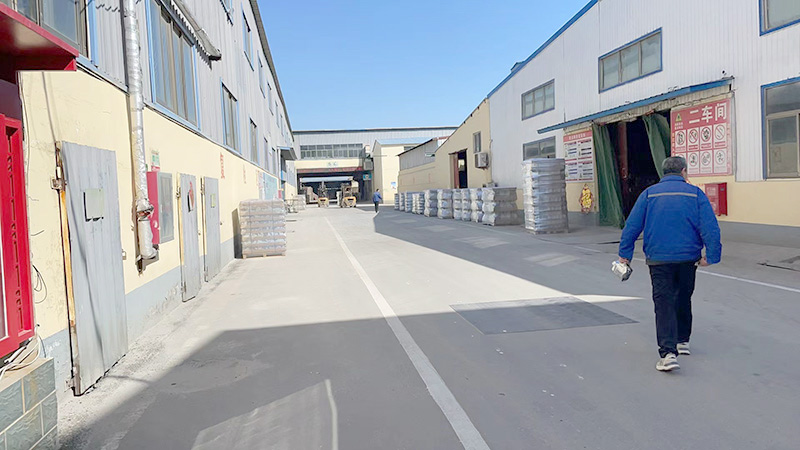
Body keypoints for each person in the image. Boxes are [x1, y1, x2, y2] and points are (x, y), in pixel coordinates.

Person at [618, 156, 721, 372]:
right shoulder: (695, 194)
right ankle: (682, 340)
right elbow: (710, 227)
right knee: (683, 297)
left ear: (663, 172)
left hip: (658, 259)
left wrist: (624, 255)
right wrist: (711, 256)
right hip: (688, 258)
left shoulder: (649, 194)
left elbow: (632, 226)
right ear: (684, 171)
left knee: (663, 301)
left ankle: (668, 353)